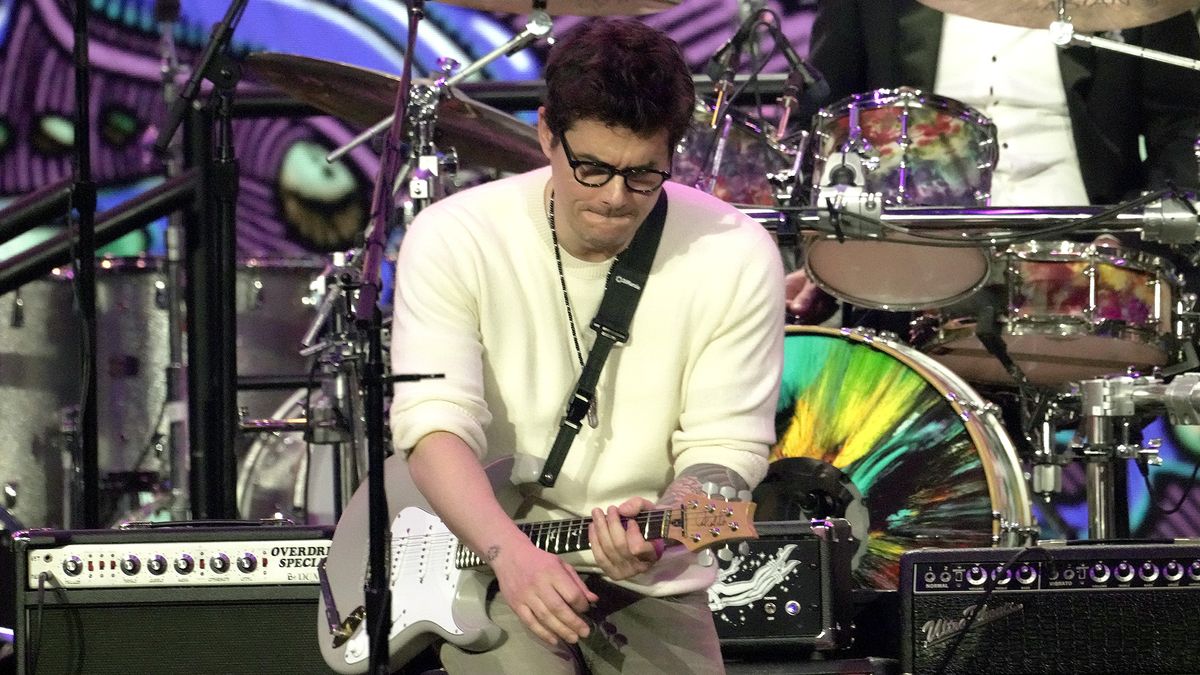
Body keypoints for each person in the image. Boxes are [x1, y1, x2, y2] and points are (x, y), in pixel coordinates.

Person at [389, 17, 784, 674]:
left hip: (647, 580)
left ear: (673, 154)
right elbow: (433, 426)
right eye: (592, 167)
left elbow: (725, 446)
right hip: (485, 555)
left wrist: (669, 521)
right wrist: (509, 553)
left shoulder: (734, 252)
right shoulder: (455, 236)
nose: (613, 198)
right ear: (547, 132)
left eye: (642, 175)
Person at [789, 0, 1200, 330]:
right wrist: (827, 246)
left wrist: (1135, 241)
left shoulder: (1144, 5)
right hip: (919, 258)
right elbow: (831, 119)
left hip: (1088, 251)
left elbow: (1184, 124)